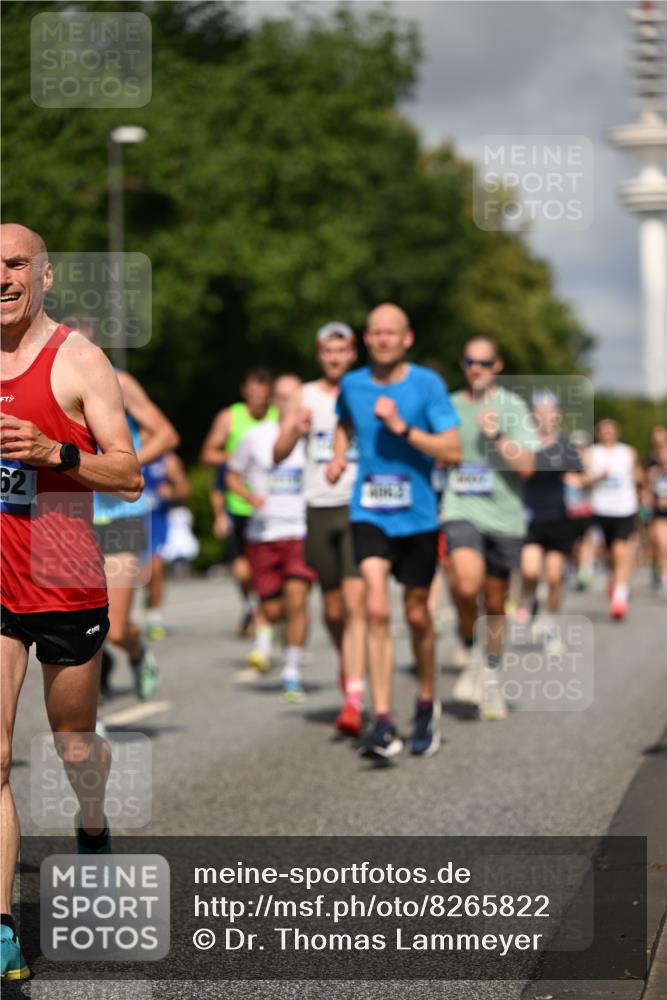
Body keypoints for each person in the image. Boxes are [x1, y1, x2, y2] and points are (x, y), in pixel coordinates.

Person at [0, 224, 142, 980]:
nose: (1, 277)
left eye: (15, 263)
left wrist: (55, 451)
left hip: (60, 573)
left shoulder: (79, 360)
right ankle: (1, 928)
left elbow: (128, 474)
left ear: (44, 275)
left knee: (74, 745)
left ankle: (92, 821)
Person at [328, 303, 461, 759]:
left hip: (419, 517)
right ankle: (383, 720)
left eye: (392, 333)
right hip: (369, 511)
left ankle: (426, 702)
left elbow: (454, 449)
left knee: (419, 615)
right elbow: (344, 420)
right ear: (367, 339)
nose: (383, 339)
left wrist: (403, 428)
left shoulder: (428, 384)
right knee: (377, 609)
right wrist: (338, 455)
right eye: (376, 333)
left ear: (407, 338)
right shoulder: (353, 384)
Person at [273, 322, 366, 736]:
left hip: (360, 503)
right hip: (318, 505)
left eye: (342, 350)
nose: (334, 357)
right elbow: (278, 453)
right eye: (327, 350)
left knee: (355, 599)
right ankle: (349, 659)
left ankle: (355, 694)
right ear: (318, 355)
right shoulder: (304, 395)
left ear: (353, 354)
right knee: (331, 609)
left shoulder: (366, 388)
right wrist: (296, 428)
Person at [442, 337, 537, 721]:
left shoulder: (512, 407)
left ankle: (491, 674)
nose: (476, 368)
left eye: (484, 362)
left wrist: (498, 436)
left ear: (497, 365)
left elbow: (527, 467)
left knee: (495, 603)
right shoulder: (449, 405)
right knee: (465, 585)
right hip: (460, 507)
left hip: (504, 516)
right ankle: (469, 643)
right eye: (469, 361)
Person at [226, 374, 317, 701]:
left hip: (301, 530)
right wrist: (249, 498)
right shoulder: (255, 436)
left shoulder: (313, 437)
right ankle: (275, 635)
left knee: (298, 600)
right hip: (263, 533)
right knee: (274, 609)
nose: (288, 403)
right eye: (282, 397)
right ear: (274, 401)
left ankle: (292, 672)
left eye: (295, 396)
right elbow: (232, 475)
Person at [94, 369, 179, 699]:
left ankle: (136, 650)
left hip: (121, 517)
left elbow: (167, 435)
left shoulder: (118, 382)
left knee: (113, 629)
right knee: (75, 626)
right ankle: (89, 718)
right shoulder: (41, 376)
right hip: (69, 515)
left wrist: (121, 467)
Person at [200, 369, 277, 638]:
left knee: (271, 568)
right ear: (244, 391)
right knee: (243, 571)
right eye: (252, 390)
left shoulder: (279, 416)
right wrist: (240, 455)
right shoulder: (230, 417)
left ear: (270, 392)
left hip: (273, 504)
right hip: (240, 504)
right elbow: (207, 455)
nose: (257, 396)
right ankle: (251, 605)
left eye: (263, 390)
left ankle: (268, 612)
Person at [515, 393, 584, 650]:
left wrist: (584, 482)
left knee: (554, 578)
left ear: (558, 415)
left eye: (549, 410)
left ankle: (549, 622)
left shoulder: (566, 444)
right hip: (529, 517)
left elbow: (579, 477)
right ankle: (530, 599)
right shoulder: (524, 442)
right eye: (539, 410)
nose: (544, 415)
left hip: (558, 518)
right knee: (530, 571)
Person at [584, 419, 641, 620]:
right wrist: (598, 476)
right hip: (600, 509)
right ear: (598, 433)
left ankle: (619, 597)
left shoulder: (628, 452)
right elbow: (584, 480)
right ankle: (615, 580)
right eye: (603, 430)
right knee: (608, 556)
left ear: (617, 431)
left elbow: (637, 476)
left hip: (624, 509)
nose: (607, 432)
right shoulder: (592, 453)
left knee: (621, 551)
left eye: (611, 429)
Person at [142, 450, 190, 639]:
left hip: (157, 523)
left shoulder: (166, 459)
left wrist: (172, 491)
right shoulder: (121, 446)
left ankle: (154, 617)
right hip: (127, 522)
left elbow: (184, 489)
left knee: (156, 568)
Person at [647, 440, 667, 597]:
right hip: (659, 514)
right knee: (662, 545)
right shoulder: (655, 473)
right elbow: (647, 493)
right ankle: (664, 577)